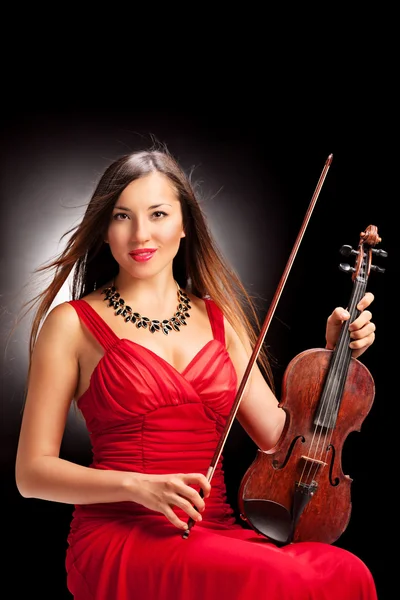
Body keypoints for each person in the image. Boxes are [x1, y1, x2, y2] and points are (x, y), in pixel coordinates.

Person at [15, 146, 378, 600]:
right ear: (104, 229)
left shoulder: (218, 319)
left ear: (185, 224)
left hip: (215, 529)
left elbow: (276, 439)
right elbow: (31, 474)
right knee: (282, 579)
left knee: (347, 571)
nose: (141, 234)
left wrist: (334, 353)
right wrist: (139, 486)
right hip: (122, 537)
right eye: (122, 216)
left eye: (158, 214)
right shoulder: (70, 324)